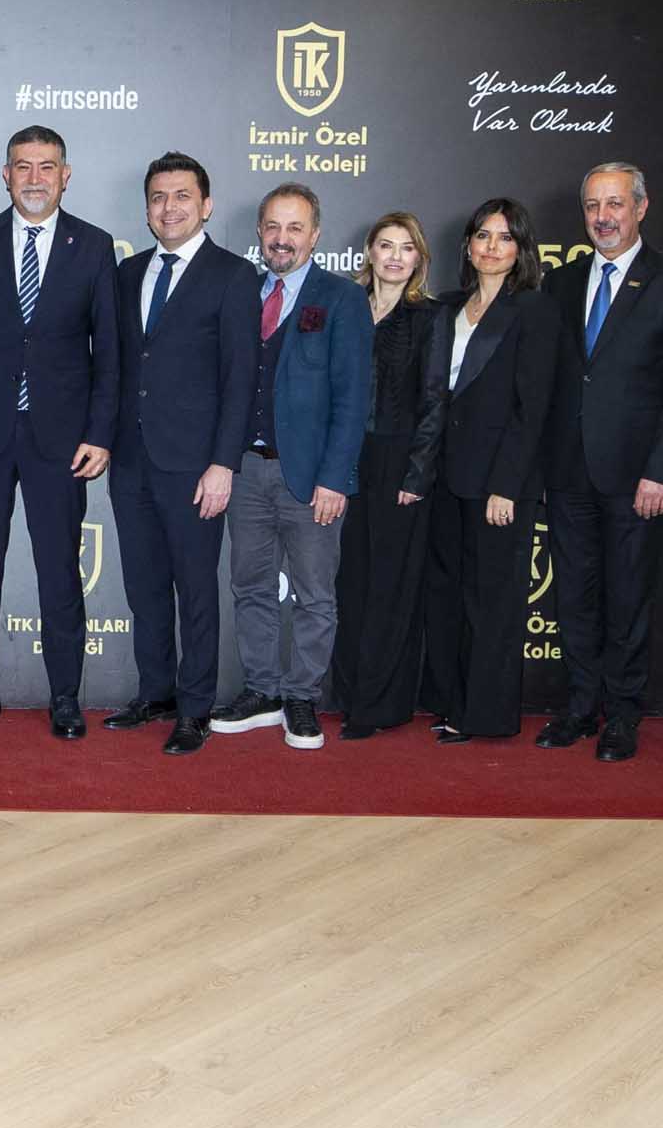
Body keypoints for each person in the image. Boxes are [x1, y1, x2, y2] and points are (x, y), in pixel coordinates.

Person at [0, 125, 121, 740]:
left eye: (46, 167)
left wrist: (100, 433)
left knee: (60, 572)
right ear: (6, 174)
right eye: (23, 166)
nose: (34, 178)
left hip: (61, 441)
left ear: (65, 176)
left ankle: (65, 695)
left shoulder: (93, 246)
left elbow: (109, 351)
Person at [540, 161, 663, 762]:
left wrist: (662, 470)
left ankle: (624, 713)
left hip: (637, 476)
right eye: (593, 206)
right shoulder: (561, 283)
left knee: (629, 597)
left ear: (641, 207)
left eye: (614, 204)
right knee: (574, 596)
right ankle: (581, 705)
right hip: (568, 470)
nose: (603, 217)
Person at [105, 152, 259, 755]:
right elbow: (119, 366)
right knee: (144, 587)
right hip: (131, 459)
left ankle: (195, 708)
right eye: (158, 197)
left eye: (181, 196)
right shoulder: (127, 273)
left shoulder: (233, 275)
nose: (169, 208)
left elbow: (240, 379)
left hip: (196, 465)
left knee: (195, 590)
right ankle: (156, 692)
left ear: (206, 205)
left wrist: (224, 464)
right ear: (147, 209)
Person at [210, 184, 371, 750]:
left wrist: (335, 478)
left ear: (315, 235)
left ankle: (301, 696)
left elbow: (353, 398)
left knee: (314, 595)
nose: (283, 239)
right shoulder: (242, 293)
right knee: (250, 586)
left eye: (295, 228)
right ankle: (263, 690)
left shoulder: (342, 299)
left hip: (310, 479)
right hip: (246, 472)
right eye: (273, 227)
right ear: (260, 232)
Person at [421, 200, 556, 743]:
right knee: (448, 595)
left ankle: (487, 714)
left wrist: (507, 486)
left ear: (521, 249)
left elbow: (532, 408)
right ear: (468, 244)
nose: (492, 247)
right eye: (483, 235)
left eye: (504, 237)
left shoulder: (534, 310)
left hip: (498, 482)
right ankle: (451, 701)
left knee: (493, 600)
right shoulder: (448, 306)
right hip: (445, 476)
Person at [327, 212, 444, 738]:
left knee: (391, 586)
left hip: (401, 463)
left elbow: (435, 402)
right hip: (348, 460)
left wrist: (417, 475)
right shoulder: (347, 307)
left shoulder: (429, 317)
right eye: (386, 245)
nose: (395, 256)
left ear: (419, 259)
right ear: (369, 253)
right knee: (351, 580)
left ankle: (379, 705)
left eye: (406, 247)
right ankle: (350, 693)